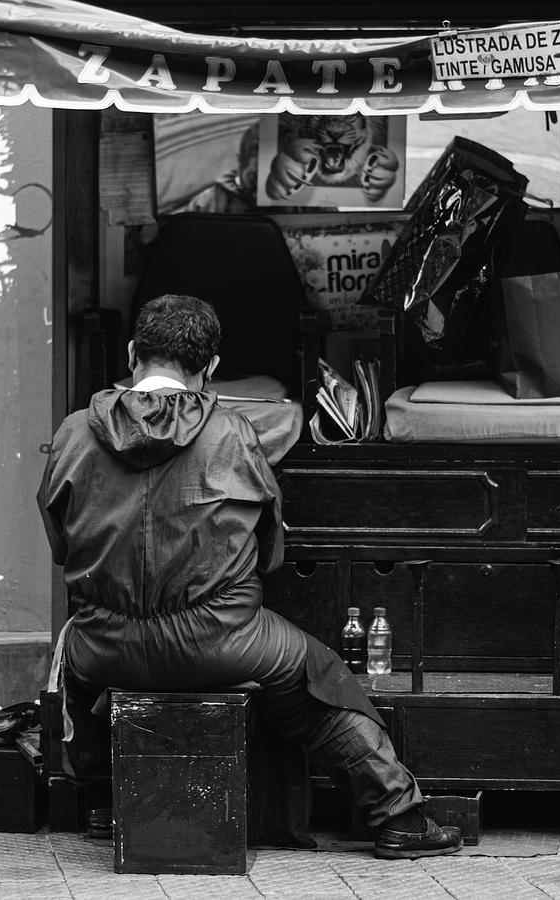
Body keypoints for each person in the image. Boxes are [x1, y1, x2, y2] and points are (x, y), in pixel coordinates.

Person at [37, 293, 462, 861]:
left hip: (103, 646)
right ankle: (400, 817)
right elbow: (270, 553)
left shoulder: (70, 434)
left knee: (71, 661)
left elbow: (61, 545)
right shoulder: (234, 434)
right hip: (223, 641)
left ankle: (107, 806)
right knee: (319, 680)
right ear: (211, 368)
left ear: (134, 353)